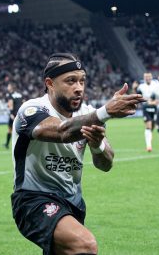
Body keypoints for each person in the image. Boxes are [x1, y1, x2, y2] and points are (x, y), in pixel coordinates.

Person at [11, 53, 145, 255]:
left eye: (82, 81)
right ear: (50, 83)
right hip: (33, 200)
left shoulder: (87, 112)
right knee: (85, 245)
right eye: (70, 81)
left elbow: (106, 164)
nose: (79, 88)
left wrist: (97, 144)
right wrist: (105, 112)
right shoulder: (31, 110)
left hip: (73, 204)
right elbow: (63, 131)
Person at [132, 72, 158, 152]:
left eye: (149, 76)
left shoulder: (156, 85)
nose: (147, 78)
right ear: (144, 78)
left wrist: (154, 102)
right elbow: (136, 97)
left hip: (156, 108)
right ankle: (148, 146)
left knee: (152, 127)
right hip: (146, 107)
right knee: (148, 126)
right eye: (146, 77)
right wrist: (134, 89)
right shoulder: (141, 86)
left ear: (151, 77)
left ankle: (149, 140)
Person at [3, 82, 23, 149]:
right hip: (20, 114)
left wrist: (11, 114)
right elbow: (23, 103)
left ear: (11, 87)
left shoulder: (10, 95)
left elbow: (10, 105)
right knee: (20, 129)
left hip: (13, 114)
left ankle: (7, 144)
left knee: (10, 130)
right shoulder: (20, 94)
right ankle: (21, 144)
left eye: (8, 86)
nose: (7, 87)